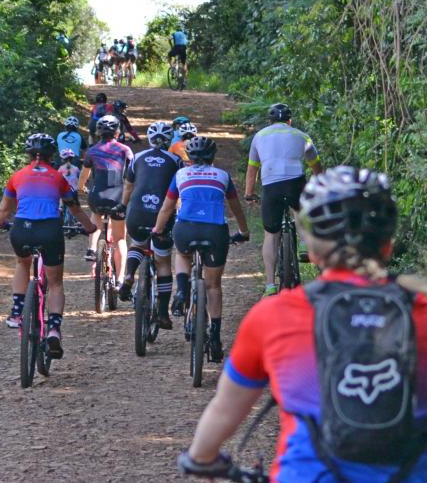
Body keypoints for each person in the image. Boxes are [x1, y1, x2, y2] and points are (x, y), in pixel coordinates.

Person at [177, 166, 427, 483]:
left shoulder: (274, 316)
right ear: (388, 244)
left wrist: (201, 458)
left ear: (314, 248)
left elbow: (225, 410)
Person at [0, 134, 96, 358]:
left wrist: (0, 223)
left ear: (28, 154)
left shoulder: (17, 176)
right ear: (52, 156)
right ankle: (54, 329)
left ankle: (17, 311)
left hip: (23, 229)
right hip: (50, 230)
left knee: (23, 263)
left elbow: (3, 210)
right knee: (55, 282)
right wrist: (89, 227)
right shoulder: (58, 178)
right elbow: (75, 208)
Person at [152, 137, 250, 361]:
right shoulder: (223, 176)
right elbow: (236, 209)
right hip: (215, 232)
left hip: (186, 229)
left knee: (183, 254)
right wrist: (244, 232)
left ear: (190, 157)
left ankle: (181, 290)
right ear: (212, 157)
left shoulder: (180, 175)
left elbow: (167, 208)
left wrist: (158, 230)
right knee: (213, 285)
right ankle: (214, 336)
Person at [243, 103, 323, 296]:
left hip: (271, 185)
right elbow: (316, 167)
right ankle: (304, 244)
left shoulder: (259, 137)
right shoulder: (301, 135)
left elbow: (252, 170)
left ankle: (270, 285)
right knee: (299, 210)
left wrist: (249, 193)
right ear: (290, 120)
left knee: (271, 234)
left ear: (269, 121)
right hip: (295, 181)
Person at [112, 122, 181, 328]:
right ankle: (162, 313)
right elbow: (178, 191)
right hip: (161, 214)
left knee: (138, 244)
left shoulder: (138, 157)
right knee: (163, 261)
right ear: (169, 140)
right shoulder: (176, 160)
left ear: (150, 139)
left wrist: (123, 206)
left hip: (137, 213)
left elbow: (128, 186)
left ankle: (129, 275)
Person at [78, 116, 133, 276]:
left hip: (97, 195)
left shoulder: (92, 151)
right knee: (120, 240)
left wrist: (81, 187)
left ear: (98, 132)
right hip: (117, 197)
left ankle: (92, 248)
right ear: (117, 132)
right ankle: (121, 278)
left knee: (96, 214)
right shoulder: (124, 150)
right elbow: (132, 175)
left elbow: (84, 175)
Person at [58, 149, 81, 225]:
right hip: (73, 191)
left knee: (61, 203)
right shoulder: (76, 169)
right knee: (76, 206)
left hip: (63, 192)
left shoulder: (60, 169)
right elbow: (79, 178)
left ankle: (60, 209)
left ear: (62, 159)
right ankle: (77, 220)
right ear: (72, 159)